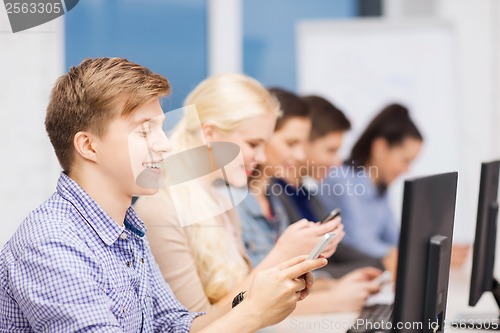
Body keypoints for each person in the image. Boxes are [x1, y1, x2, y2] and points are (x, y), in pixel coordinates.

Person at [0, 58, 327, 332]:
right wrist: (253, 313)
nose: (165, 144)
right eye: (144, 131)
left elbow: (175, 324)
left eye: (159, 128)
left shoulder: (127, 229)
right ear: (88, 146)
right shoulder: (50, 242)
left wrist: (258, 296)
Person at [134, 73, 344, 316]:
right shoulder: (161, 209)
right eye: (254, 144)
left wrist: (300, 258)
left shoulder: (222, 201)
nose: (262, 158)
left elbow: (240, 298)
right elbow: (195, 324)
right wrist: (281, 255)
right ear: (210, 134)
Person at [240, 88, 382, 312]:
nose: (299, 156)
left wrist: (323, 283)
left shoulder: (275, 204)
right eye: (291, 143)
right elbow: (246, 297)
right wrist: (331, 297)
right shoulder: (238, 204)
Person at [318, 103, 423, 272]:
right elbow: (359, 242)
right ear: (380, 147)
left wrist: (422, 250)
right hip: (344, 272)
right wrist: (408, 255)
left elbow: (394, 238)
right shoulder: (340, 178)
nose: (407, 169)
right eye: (405, 161)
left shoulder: (380, 187)